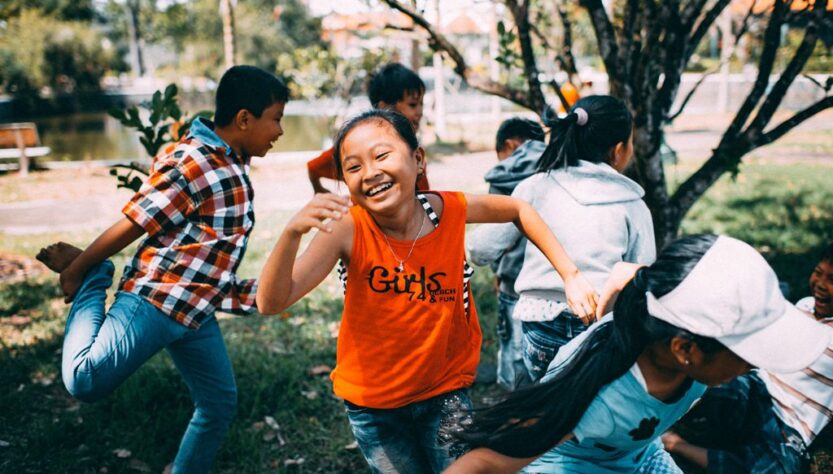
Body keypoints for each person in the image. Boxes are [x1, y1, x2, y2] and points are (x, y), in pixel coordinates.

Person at [256, 109, 597, 473]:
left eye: (382, 156)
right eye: (353, 167)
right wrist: (292, 233)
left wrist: (570, 273)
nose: (370, 173)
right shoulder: (348, 230)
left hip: (445, 392)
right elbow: (271, 302)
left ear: (418, 160)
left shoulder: (446, 210)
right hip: (374, 406)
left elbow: (518, 208)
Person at [35, 65, 288, 473]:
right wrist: (82, 268)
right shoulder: (194, 159)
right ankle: (98, 280)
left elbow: (206, 257)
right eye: (275, 119)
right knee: (84, 380)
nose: (279, 131)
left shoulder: (232, 164)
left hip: (194, 313)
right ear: (244, 119)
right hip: (154, 300)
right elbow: (138, 220)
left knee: (218, 403)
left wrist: (261, 293)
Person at [447, 235, 833, 473]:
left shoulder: (663, 303)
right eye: (749, 350)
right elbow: (485, 462)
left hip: (636, 454)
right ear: (686, 349)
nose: (757, 362)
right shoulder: (597, 397)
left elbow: (626, 274)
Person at [468, 95, 655, 383]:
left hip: (539, 326)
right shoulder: (633, 204)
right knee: (584, 410)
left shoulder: (535, 188)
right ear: (619, 150)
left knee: (542, 407)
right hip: (598, 327)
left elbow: (480, 249)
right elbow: (641, 274)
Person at [662, 243, 833, 473]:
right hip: (755, 390)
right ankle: (660, 418)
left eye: (832, 279)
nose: (820, 284)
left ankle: (675, 444)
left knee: (781, 469)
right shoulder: (803, 306)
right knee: (710, 381)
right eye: (818, 273)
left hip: (790, 425)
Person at [470, 117, 545, 390]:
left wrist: (497, 272)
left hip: (514, 282)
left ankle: (512, 409)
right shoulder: (558, 166)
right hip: (554, 286)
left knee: (514, 358)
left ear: (510, 145)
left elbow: (491, 241)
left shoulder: (506, 175)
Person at [306, 62, 429, 194]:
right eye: (412, 104)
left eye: (421, 104)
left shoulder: (411, 146)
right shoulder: (358, 144)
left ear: (418, 157)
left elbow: (423, 194)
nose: (420, 111)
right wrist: (319, 190)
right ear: (385, 108)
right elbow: (314, 167)